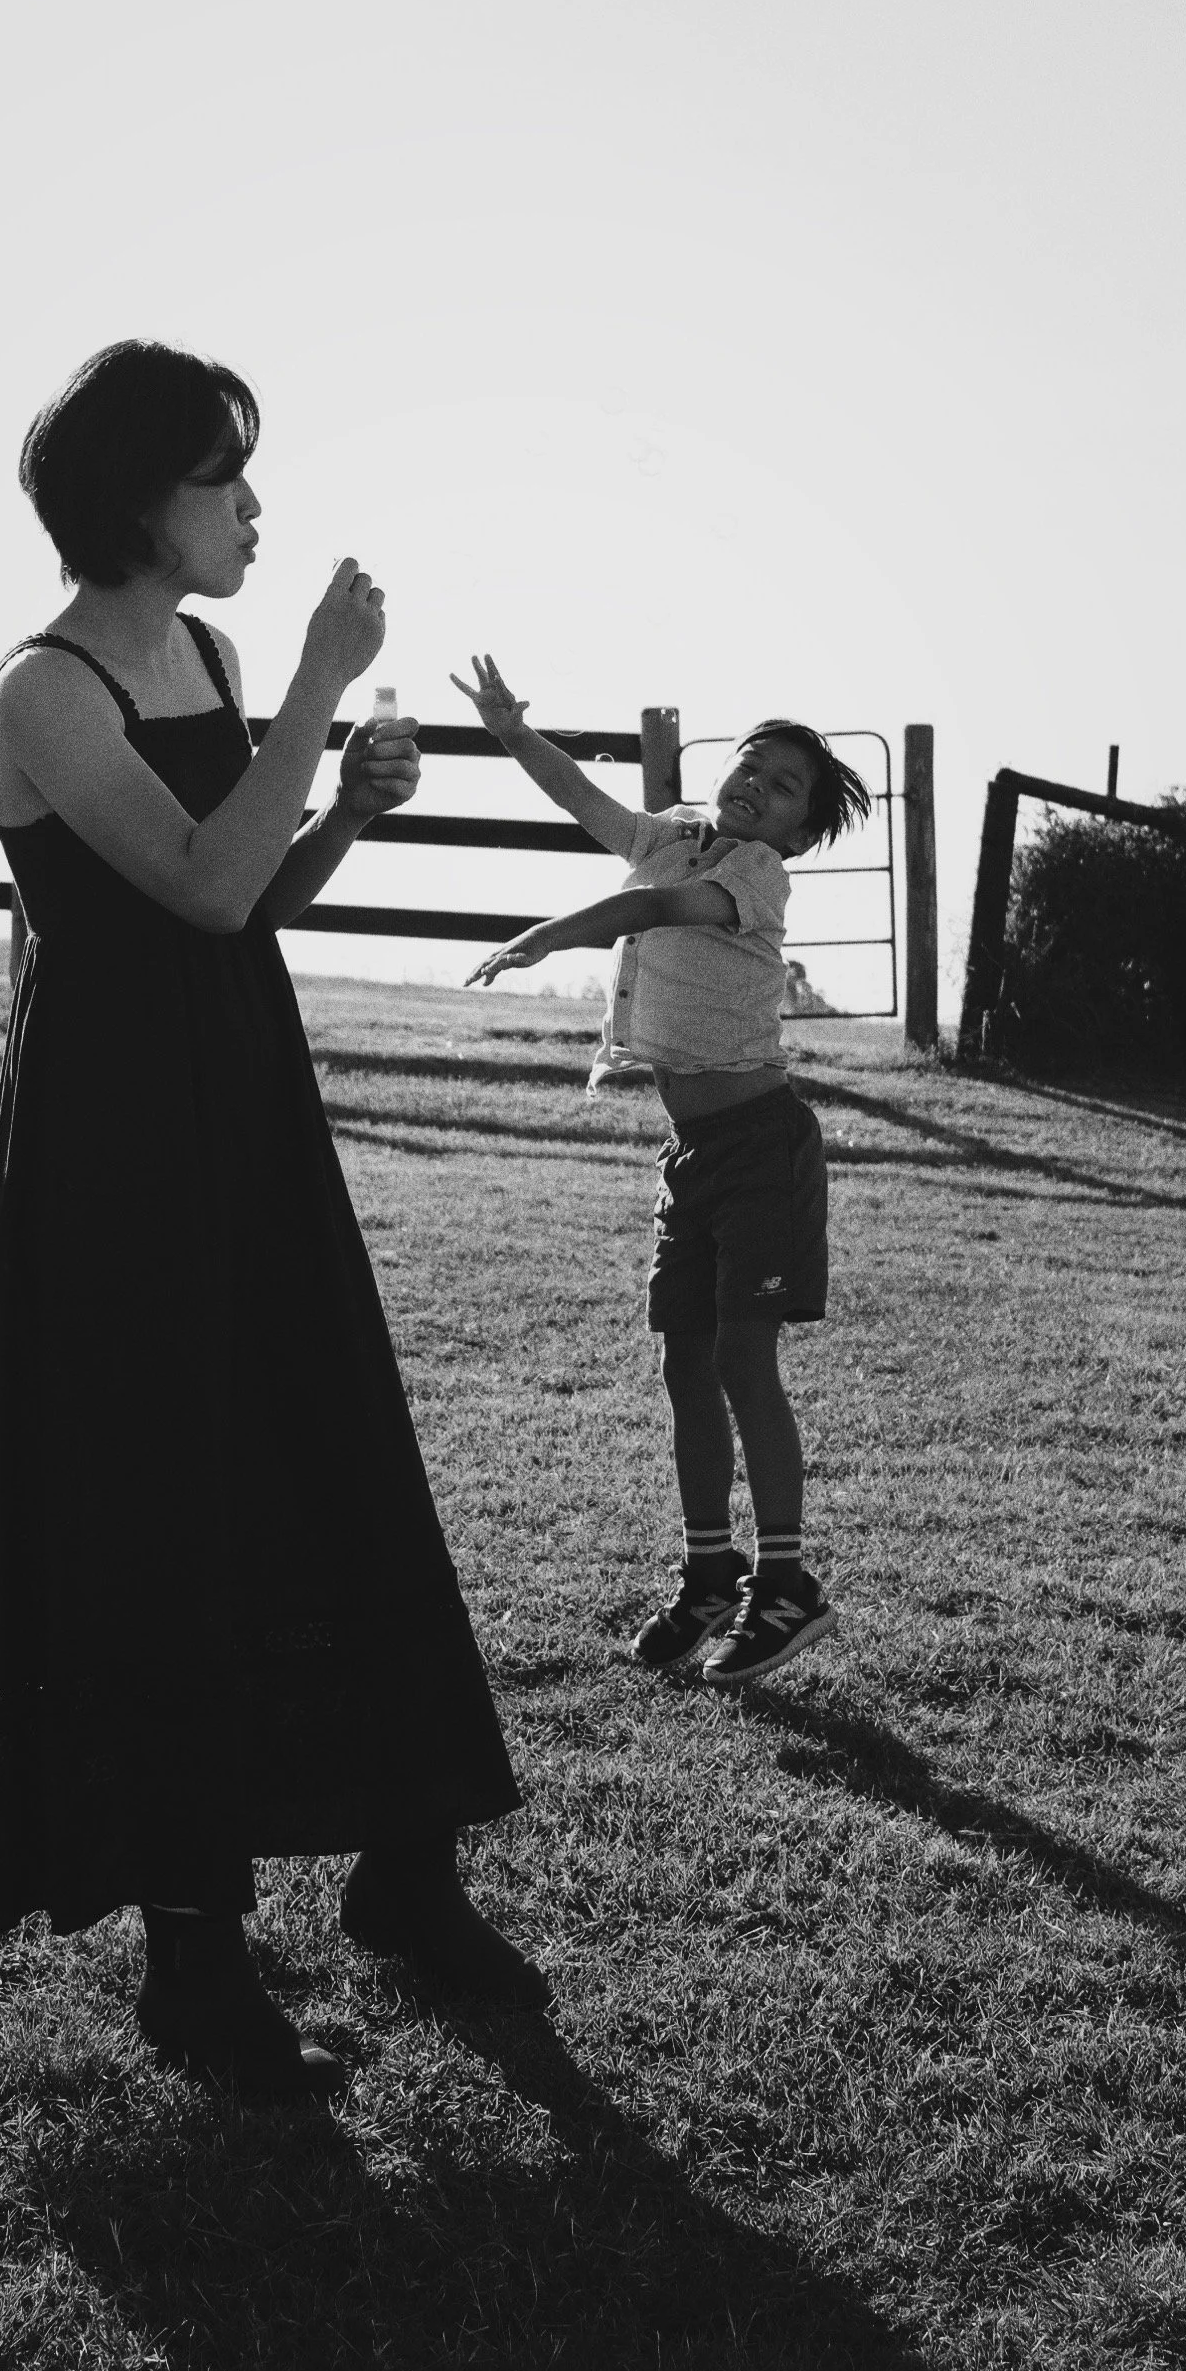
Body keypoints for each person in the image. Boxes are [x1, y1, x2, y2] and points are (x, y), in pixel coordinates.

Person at [0, 345, 544, 2102]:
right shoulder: (42, 687)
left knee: (326, 1442)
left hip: (243, 1096)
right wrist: (320, 694)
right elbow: (187, 881)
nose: (254, 506)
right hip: (115, 1142)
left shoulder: (202, 650)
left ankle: (405, 1873)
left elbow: (248, 894)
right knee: (164, 1498)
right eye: (223, 474)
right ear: (136, 500)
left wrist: (340, 799)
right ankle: (194, 1962)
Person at [453, 653, 870, 1688]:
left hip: (761, 1150)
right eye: (749, 764)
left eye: (779, 786)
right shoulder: (679, 836)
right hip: (690, 1155)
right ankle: (707, 1574)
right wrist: (512, 734)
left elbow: (645, 914)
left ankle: (785, 1587)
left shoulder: (749, 874)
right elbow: (584, 801)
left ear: (797, 833)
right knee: (681, 1362)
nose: (752, 784)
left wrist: (550, 935)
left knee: (738, 1360)